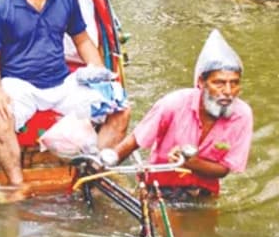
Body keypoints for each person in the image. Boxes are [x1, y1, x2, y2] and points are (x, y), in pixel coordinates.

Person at [0, 0, 130, 191]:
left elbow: (82, 40)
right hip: (20, 84)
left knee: (120, 108)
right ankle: (18, 186)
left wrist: (100, 73)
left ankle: (92, 172)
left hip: (63, 83)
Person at [107, 29, 253, 200]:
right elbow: (135, 140)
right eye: (219, 83)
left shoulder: (242, 116)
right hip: (160, 187)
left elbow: (224, 169)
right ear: (201, 82)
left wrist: (191, 163)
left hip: (204, 192)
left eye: (234, 83)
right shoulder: (174, 103)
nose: (228, 91)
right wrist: (106, 162)